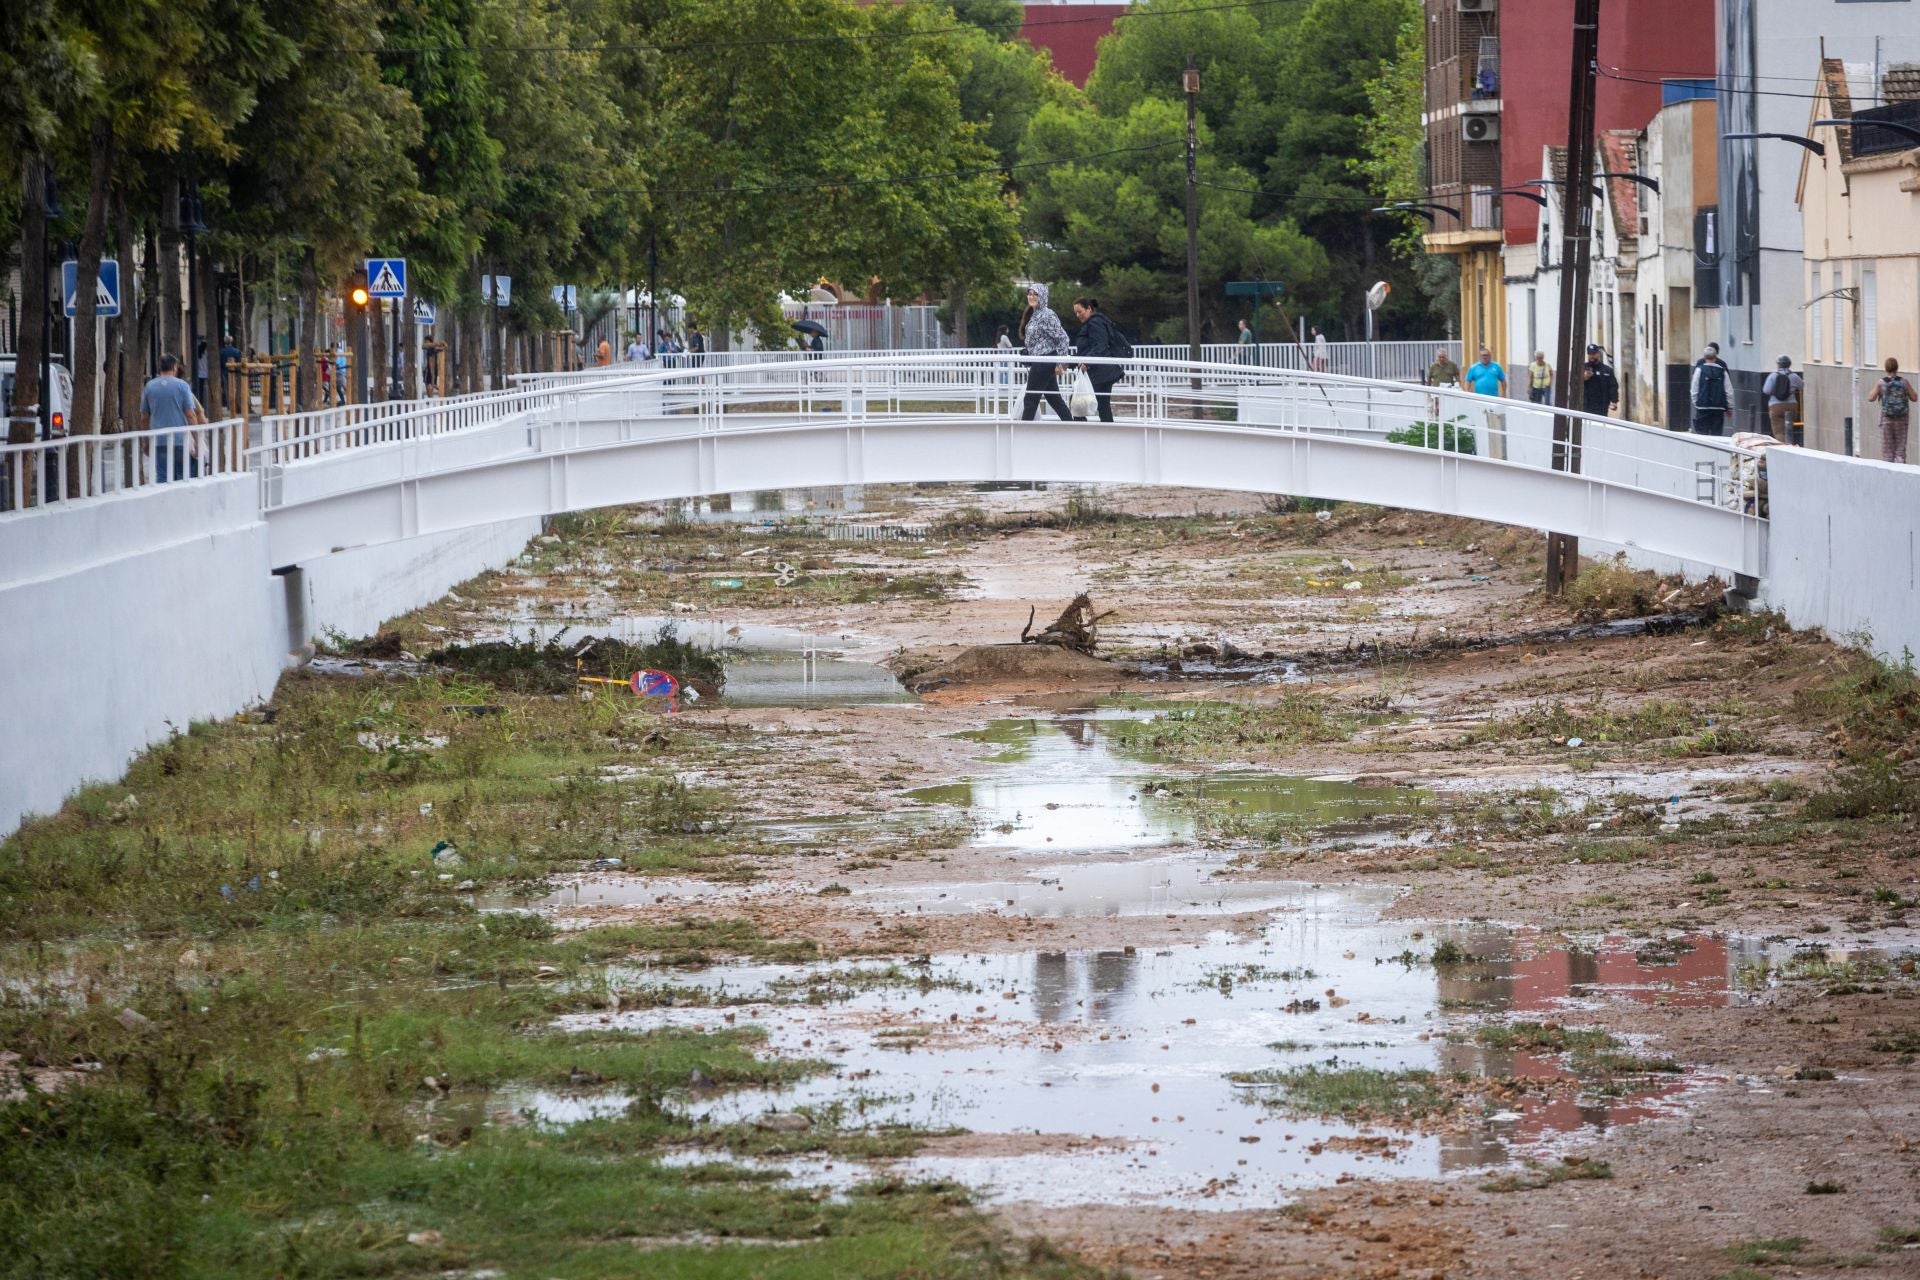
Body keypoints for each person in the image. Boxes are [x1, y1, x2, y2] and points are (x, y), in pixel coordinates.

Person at [139, 353, 206, 482]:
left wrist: (146, 442)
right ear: (175, 367)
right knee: (183, 476)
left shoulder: (149, 387)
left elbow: (144, 417)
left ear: (160, 368)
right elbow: (190, 415)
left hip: (159, 440)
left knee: (163, 476)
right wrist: (197, 441)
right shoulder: (182, 386)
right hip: (180, 439)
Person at [1016, 283, 1074, 422]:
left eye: (1035, 294)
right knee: (1054, 398)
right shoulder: (1035, 314)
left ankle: (1023, 433)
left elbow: (1063, 338)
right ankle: (1072, 426)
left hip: (1044, 361)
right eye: (1030, 294)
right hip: (1041, 361)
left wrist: (1060, 362)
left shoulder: (1047, 315)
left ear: (1042, 296)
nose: (1032, 297)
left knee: (1030, 399)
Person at [1070, 297, 1129, 423]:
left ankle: (1081, 433)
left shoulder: (1094, 323)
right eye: (1076, 313)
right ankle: (1108, 435)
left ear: (1089, 309)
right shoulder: (1095, 322)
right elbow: (1088, 350)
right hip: (1103, 372)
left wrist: (1086, 362)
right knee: (1102, 406)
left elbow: (1100, 346)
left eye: (1080, 311)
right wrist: (1070, 362)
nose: (1077, 315)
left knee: (1077, 402)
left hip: (1100, 372)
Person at [1869, 356, 1915, 465]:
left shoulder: (1881, 382)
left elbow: (1870, 398)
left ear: (1886, 369)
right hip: (1902, 420)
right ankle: (1901, 474)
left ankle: (1889, 476)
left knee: (1887, 452)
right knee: (1900, 450)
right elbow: (1914, 398)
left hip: (1887, 420)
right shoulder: (1904, 382)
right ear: (1897, 368)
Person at [1689, 341, 1731, 435]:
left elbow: (1694, 388)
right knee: (1716, 434)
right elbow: (1728, 390)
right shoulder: (1722, 368)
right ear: (1716, 355)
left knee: (1702, 434)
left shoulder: (1699, 368)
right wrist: (1728, 407)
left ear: (1704, 357)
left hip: (1703, 407)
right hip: (1718, 408)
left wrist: (1697, 403)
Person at [1762, 355, 1803, 442]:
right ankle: (1790, 445)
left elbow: (1766, 390)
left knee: (1779, 432)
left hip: (1776, 406)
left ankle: (1782, 448)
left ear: (1778, 365)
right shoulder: (1794, 376)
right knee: (1789, 428)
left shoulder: (1773, 376)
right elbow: (1802, 386)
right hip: (1791, 405)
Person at [1582, 343, 1620, 417]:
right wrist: (1583, 378)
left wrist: (1614, 400)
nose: (1591, 356)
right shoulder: (1582, 368)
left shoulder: (1607, 370)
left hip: (1602, 407)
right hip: (1586, 406)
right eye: (1589, 354)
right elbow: (1573, 385)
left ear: (1598, 354)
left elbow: (1613, 386)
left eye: (1593, 353)